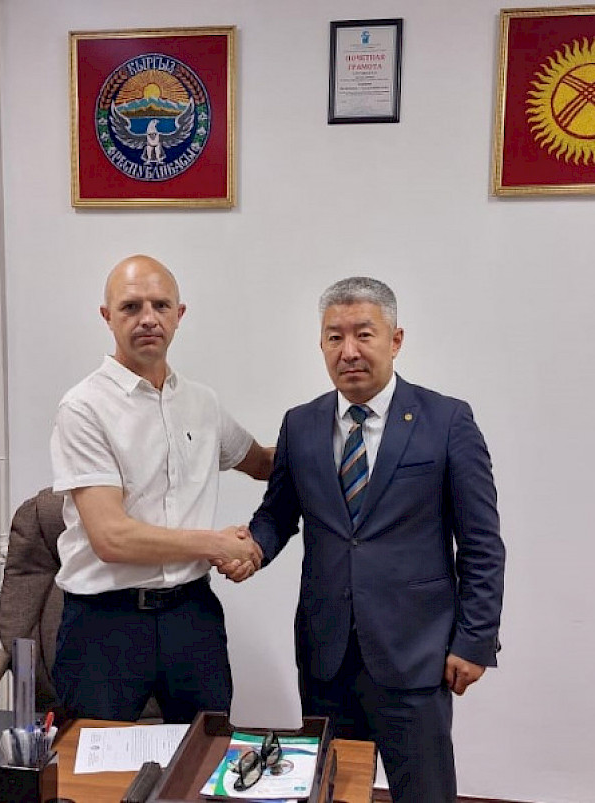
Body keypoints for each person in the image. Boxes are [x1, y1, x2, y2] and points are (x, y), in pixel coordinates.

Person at [236, 277, 505, 802]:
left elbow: (482, 544)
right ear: (321, 344)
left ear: (395, 340)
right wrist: (251, 549)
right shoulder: (300, 425)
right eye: (335, 337)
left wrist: (474, 641)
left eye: (364, 334)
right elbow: (278, 514)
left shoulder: (447, 421)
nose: (349, 351)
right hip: (326, 655)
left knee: (425, 792)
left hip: (417, 654)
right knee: (332, 790)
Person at [50, 254, 272, 723]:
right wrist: (216, 544)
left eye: (161, 305)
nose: (148, 318)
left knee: (206, 755)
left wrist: (336, 433)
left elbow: (262, 464)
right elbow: (112, 538)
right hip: (104, 626)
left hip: (191, 617)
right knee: (96, 761)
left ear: (179, 314)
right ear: (107, 316)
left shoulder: (202, 402)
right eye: (131, 307)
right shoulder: (84, 407)